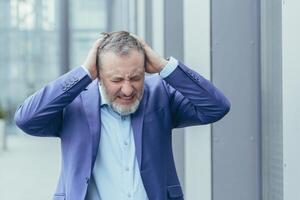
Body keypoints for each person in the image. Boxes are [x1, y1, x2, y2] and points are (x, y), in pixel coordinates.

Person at [15, 31, 230, 200]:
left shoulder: (160, 94)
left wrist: (165, 67)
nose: (127, 90)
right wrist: (83, 73)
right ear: (98, 75)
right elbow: (26, 119)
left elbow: (216, 106)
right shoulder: (74, 103)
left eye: (135, 78)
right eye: (117, 80)